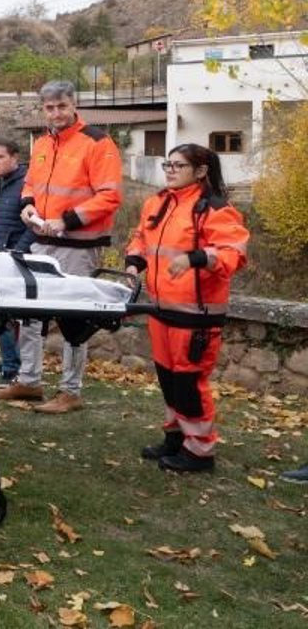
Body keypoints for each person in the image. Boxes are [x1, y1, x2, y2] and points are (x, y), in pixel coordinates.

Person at [0, 80, 122, 414]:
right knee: (31, 314)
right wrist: (28, 206)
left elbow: (109, 195)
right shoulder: (44, 143)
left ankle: (70, 391)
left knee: (74, 317)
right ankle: (29, 381)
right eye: (49, 108)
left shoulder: (98, 143)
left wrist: (67, 220)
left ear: (74, 104)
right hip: (41, 240)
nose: (56, 113)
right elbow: (31, 184)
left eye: (62, 106)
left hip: (77, 243)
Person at [124, 144, 248, 473]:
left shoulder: (214, 208)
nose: (170, 170)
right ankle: (175, 437)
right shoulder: (158, 201)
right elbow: (141, 236)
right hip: (161, 308)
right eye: (168, 164)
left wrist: (195, 258)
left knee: (189, 382)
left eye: (178, 165)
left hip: (197, 313)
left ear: (201, 170)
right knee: (168, 379)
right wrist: (134, 261)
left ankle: (200, 452)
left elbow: (233, 254)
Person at [0, 138, 34, 384]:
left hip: (14, 258)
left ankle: (13, 367)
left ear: (14, 158)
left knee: (7, 314)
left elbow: (33, 224)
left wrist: (18, 250)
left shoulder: (26, 185)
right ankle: (9, 364)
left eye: (0, 156)